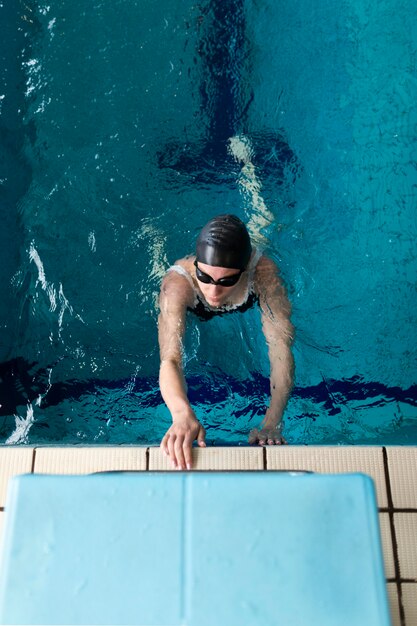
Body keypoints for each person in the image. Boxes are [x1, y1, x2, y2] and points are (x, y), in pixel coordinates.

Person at [158, 214, 294, 469]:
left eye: (227, 280)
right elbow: (170, 358)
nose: (213, 292)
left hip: (251, 272)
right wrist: (181, 414)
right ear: (197, 265)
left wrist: (272, 423)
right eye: (205, 277)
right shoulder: (179, 285)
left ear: (242, 272)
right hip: (185, 293)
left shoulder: (263, 273)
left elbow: (280, 348)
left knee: (264, 224)